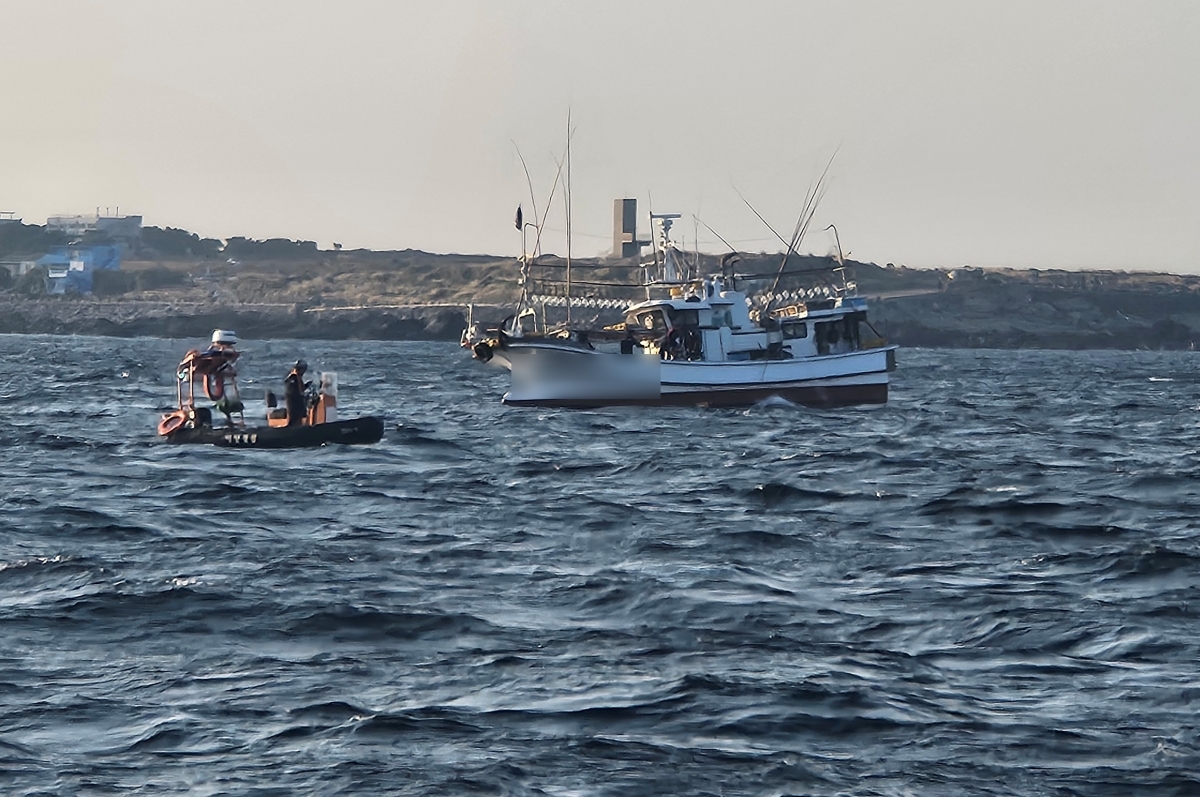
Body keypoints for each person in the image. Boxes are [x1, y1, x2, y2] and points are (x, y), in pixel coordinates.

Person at [283, 360, 310, 426]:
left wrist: (307, 385)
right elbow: (297, 390)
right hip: (293, 401)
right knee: (295, 419)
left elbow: (300, 388)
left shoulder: (295, 377)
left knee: (300, 417)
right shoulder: (293, 377)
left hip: (296, 400)